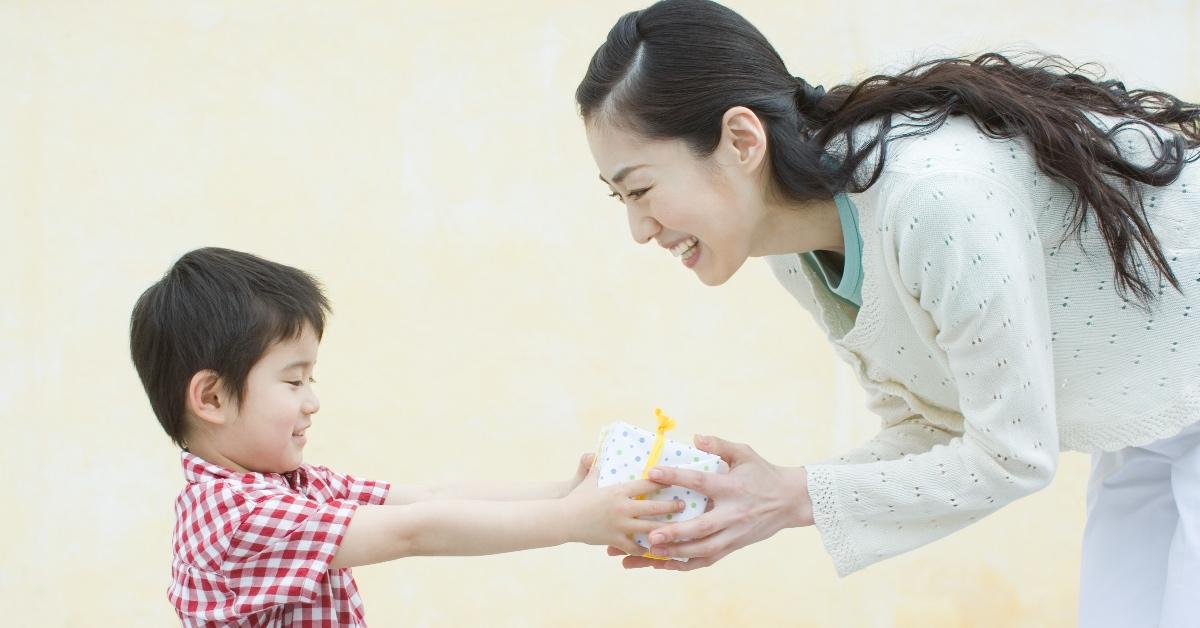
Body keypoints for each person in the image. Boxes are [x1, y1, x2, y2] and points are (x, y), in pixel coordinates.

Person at [575, 1, 1200, 625]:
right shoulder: (792, 239)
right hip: (1151, 415)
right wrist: (757, 497)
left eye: (641, 190)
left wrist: (792, 497)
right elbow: (934, 422)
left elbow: (1012, 455)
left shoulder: (932, 198)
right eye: (620, 198)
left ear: (741, 140)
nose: (638, 228)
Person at [129, 247, 679, 626]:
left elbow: (426, 499)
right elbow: (413, 531)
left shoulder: (287, 486)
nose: (312, 400)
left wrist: (564, 491)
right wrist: (572, 522)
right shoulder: (237, 517)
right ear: (212, 398)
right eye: (294, 379)